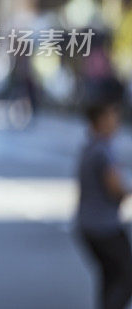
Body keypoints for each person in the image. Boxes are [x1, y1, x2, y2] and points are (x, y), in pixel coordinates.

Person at [75, 98, 132, 309]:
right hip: (104, 227)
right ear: (99, 120)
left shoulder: (90, 147)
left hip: (90, 225)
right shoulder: (102, 151)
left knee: (111, 276)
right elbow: (115, 189)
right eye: (111, 116)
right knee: (125, 277)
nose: (115, 121)